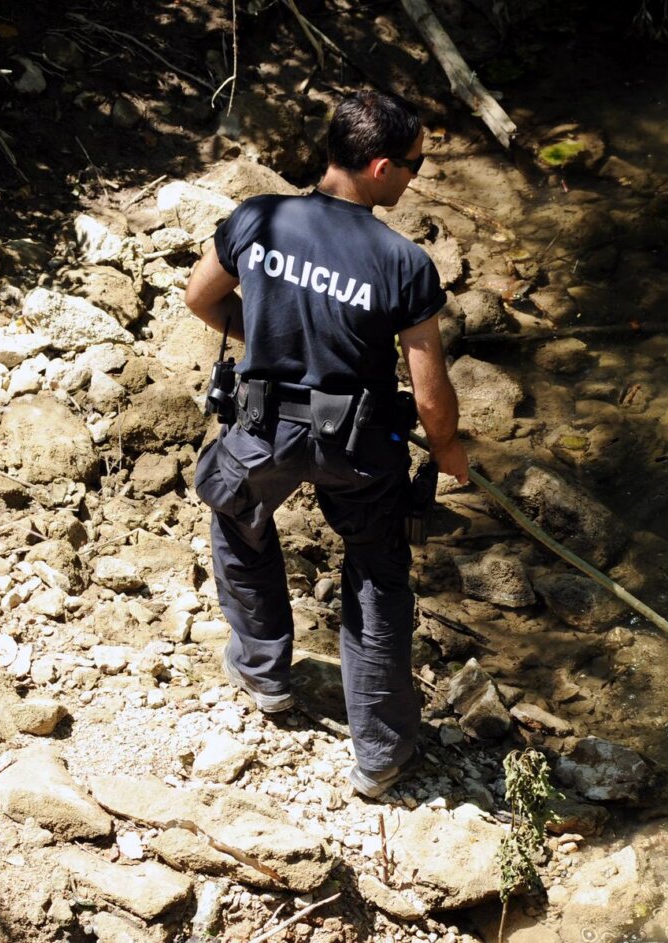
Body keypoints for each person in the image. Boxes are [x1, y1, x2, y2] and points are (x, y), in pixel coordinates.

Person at [185, 90, 468, 799]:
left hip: (263, 429)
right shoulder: (403, 262)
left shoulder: (258, 218)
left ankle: (264, 674)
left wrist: (268, 337)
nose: (415, 178)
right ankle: (380, 756)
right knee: (375, 577)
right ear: (379, 168)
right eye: (413, 165)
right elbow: (429, 390)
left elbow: (200, 297)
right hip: (359, 446)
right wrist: (449, 450)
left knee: (238, 517)